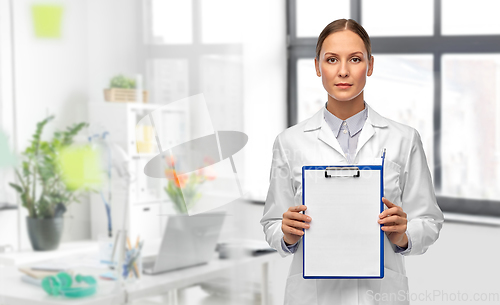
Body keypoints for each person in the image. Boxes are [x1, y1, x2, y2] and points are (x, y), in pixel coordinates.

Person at [260, 19, 444, 305]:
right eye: (331, 59)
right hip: (313, 296)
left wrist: (403, 235)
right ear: (317, 66)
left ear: (370, 65)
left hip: (380, 294)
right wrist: (286, 234)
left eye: (355, 59)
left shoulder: (404, 139)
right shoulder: (290, 142)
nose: (343, 71)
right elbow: (273, 223)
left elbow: (430, 220)